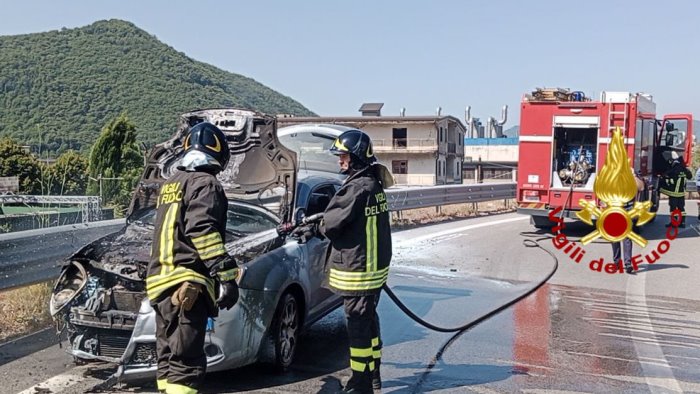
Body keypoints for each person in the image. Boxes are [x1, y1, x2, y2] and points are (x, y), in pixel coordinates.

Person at [147, 122, 240, 394]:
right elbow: (202, 231)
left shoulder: (172, 183)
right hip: (186, 286)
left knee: (167, 358)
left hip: (160, 285)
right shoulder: (206, 183)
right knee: (186, 363)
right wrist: (226, 275)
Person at [317, 129, 393, 393]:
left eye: (344, 155)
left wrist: (315, 227)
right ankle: (373, 374)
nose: (340, 161)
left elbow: (331, 225)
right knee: (369, 322)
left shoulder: (355, 189)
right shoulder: (373, 185)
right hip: (373, 271)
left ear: (357, 156)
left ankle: (359, 384)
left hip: (358, 271)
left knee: (358, 330)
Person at [612, 169, 644, 274]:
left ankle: (627, 263)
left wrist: (633, 175)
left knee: (627, 237)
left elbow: (641, 187)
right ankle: (617, 262)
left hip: (628, 210)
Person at [660, 151, 692, 227]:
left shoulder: (673, 169)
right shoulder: (684, 169)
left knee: (673, 208)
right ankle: (683, 222)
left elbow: (665, 175)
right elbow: (690, 176)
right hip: (681, 193)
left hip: (674, 193)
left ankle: (674, 223)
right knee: (681, 208)